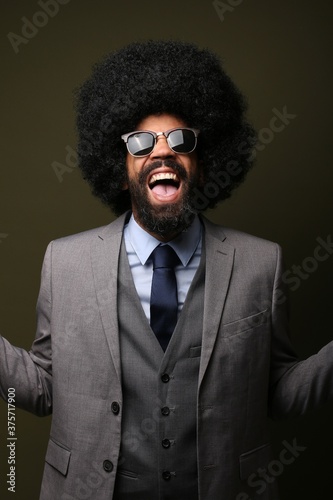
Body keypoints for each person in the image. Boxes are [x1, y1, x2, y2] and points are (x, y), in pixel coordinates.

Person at [0, 40, 332, 500]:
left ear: (200, 164)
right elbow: (41, 387)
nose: (162, 152)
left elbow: (276, 391)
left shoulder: (261, 263)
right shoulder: (64, 262)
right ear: (121, 171)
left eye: (181, 140)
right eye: (140, 143)